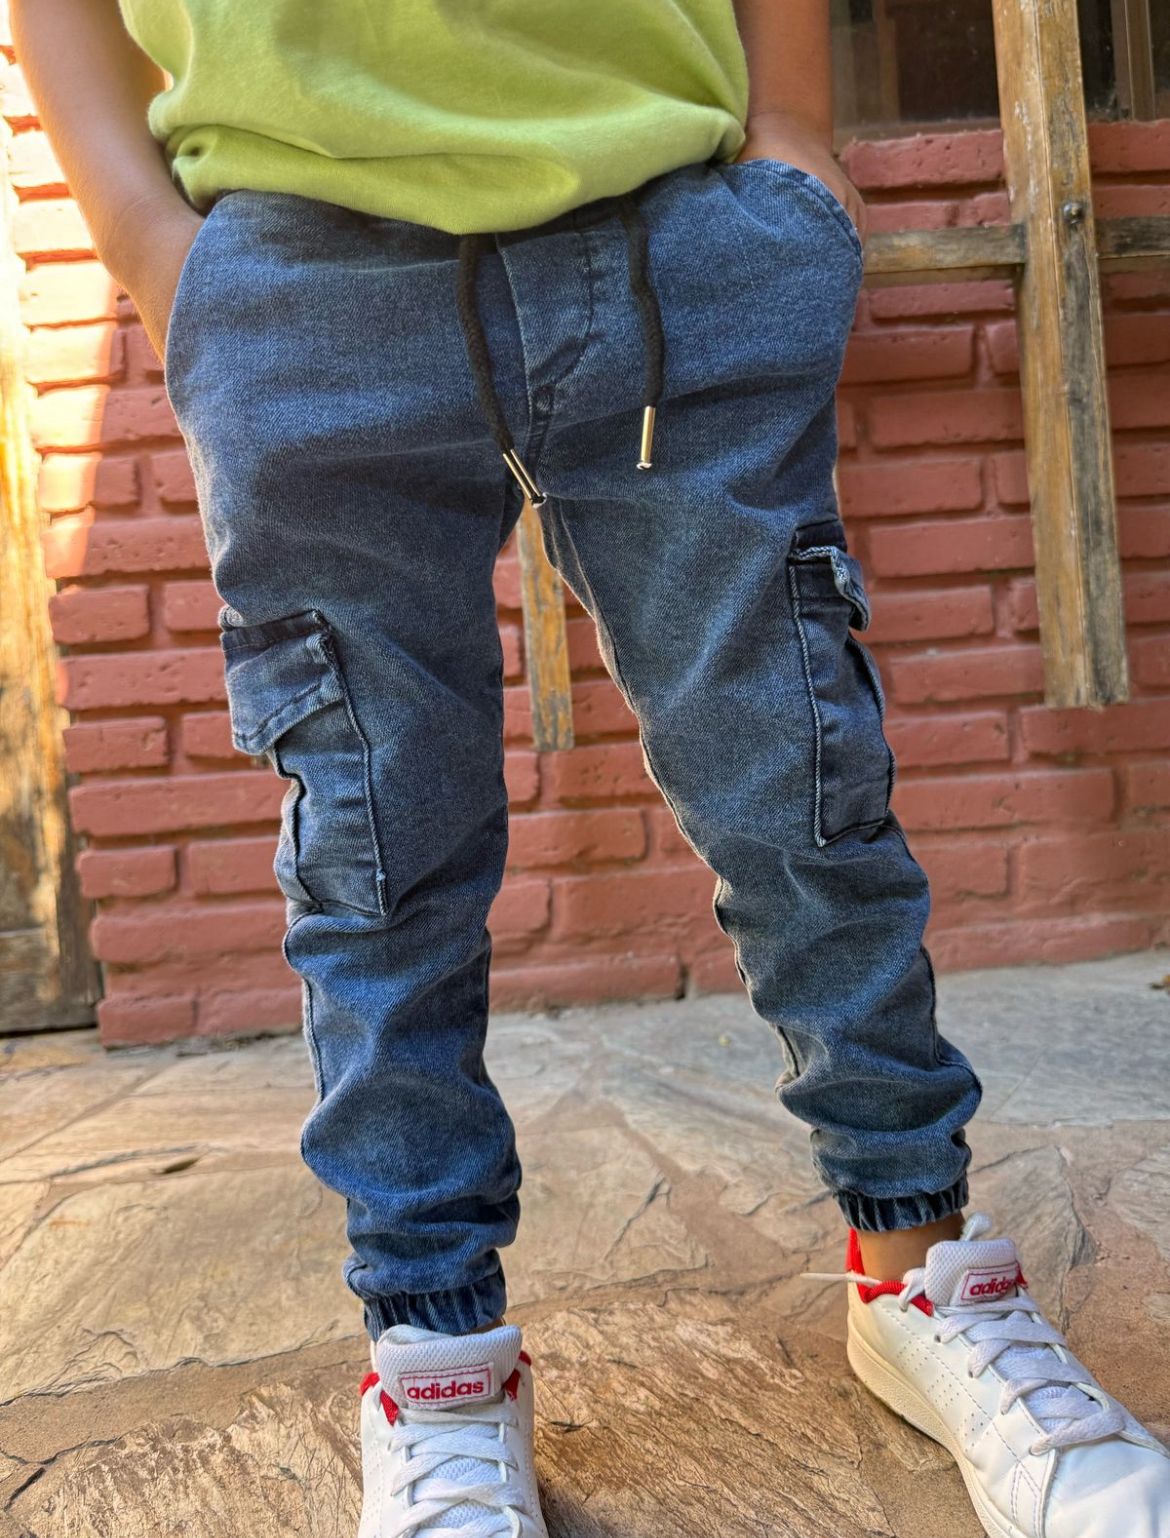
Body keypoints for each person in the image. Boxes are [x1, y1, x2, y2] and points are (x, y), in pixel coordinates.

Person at [16, 2, 1169, 1534]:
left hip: (670, 233)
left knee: (796, 786)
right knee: (376, 851)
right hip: (301, 268)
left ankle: (914, 1270)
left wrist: (792, 138)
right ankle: (434, 1356)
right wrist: (150, 241)